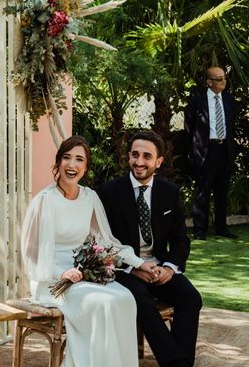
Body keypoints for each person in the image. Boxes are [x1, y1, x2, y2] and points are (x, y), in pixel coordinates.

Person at [20, 135, 159, 367]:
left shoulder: (90, 197)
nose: (71, 165)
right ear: (58, 163)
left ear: (86, 167)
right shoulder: (45, 201)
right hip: (52, 280)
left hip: (82, 273)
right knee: (102, 303)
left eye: (78, 159)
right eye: (66, 158)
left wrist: (138, 263)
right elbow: (31, 254)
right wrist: (61, 273)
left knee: (125, 298)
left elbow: (106, 241)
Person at [96, 130, 202, 367]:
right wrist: (134, 268)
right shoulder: (108, 193)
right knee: (141, 300)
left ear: (159, 161)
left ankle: (180, 361)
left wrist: (170, 268)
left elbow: (180, 239)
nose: (139, 162)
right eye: (135, 155)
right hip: (124, 271)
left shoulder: (170, 193)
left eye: (146, 156)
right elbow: (102, 242)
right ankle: (176, 363)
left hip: (160, 267)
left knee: (191, 297)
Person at [184, 66, 237, 240]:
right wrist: (194, 150)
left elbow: (231, 125)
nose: (224, 81)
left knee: (223, 190)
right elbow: (189, 128)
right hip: (206, 150)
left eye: (224, 78)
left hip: (224, 149)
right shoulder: (197, 100)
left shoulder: (229, 99)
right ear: (209, 82)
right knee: (203, 191)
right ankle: (200, 229)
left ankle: (222, 227)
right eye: (219, 79)